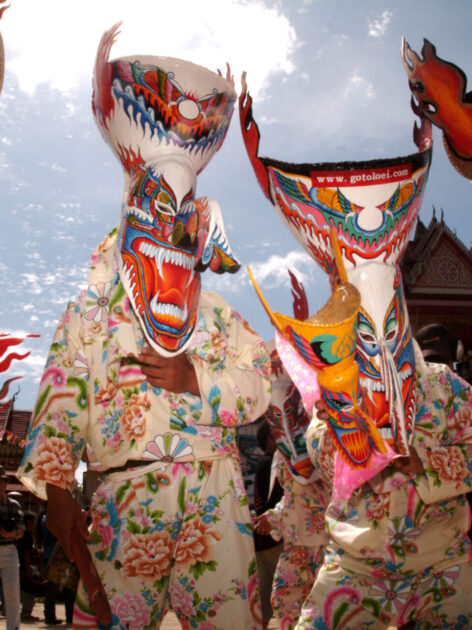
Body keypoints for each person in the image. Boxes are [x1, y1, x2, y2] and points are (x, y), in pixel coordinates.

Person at [18, 24, 271, 630]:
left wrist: (198, 380)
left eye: (183, 218)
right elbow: (60, 397)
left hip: (219, 499)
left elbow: (262, 386)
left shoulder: (219, 317)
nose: (172, 230)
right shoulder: (90, 311)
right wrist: (56, 490)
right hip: (123, 503)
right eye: (158, 214)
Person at [252, 419, 283, 630]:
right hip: (272, 534)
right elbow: (279, 500)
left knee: (265, 586)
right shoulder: (271, 462)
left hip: (264, 536)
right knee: (270, 588)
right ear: (270, 439)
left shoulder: (265, 461)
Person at [0, 466, 23, 630]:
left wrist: (13, 534)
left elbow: (22, 529)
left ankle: (13, 627)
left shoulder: (13, 505)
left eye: (2, 481)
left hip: (9, 548)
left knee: (13, 592)